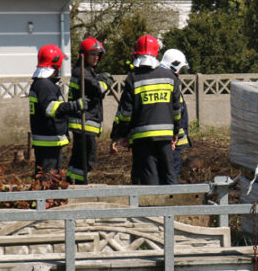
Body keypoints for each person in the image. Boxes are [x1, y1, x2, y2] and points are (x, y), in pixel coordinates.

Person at [110, 35, 185, 185]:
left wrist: (121, 134)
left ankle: (151, 207)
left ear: (137, 54)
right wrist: (175, 132)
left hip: (142, 140)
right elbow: (177, 110)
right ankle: (172, 206)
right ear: (156, 54)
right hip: (165, 137)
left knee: (148, 178)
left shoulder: (133, 79)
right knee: (168, 175)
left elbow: (125, 114)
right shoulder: (170, 77)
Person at [29, 44, 85, 181]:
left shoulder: (43, 83)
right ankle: (46, 202)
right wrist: (74, 105)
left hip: (48, 141)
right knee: (48, 181)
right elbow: (51, 109)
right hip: (48, 142)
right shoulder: (44, 85)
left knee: (51, 178)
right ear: (56, 64)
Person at [65, 37, 113, 184]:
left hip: (83, 122)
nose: (96, 57)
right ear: (84, 55)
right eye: (93, 54)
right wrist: (107, 81)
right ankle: (80, 184)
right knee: (87, 157)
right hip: (83, 122)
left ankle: (71, 181)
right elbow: (98, 90)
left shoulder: (85, 71)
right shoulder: (82, 73)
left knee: (79, 156)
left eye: (98, 55)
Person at [161, 48, 192, 182]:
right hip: (171, 143)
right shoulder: (169, 84)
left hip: (170, 142)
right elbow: (177, 112)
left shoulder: (166, 82)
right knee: (170, 178)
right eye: (180, 69)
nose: (180, 73)